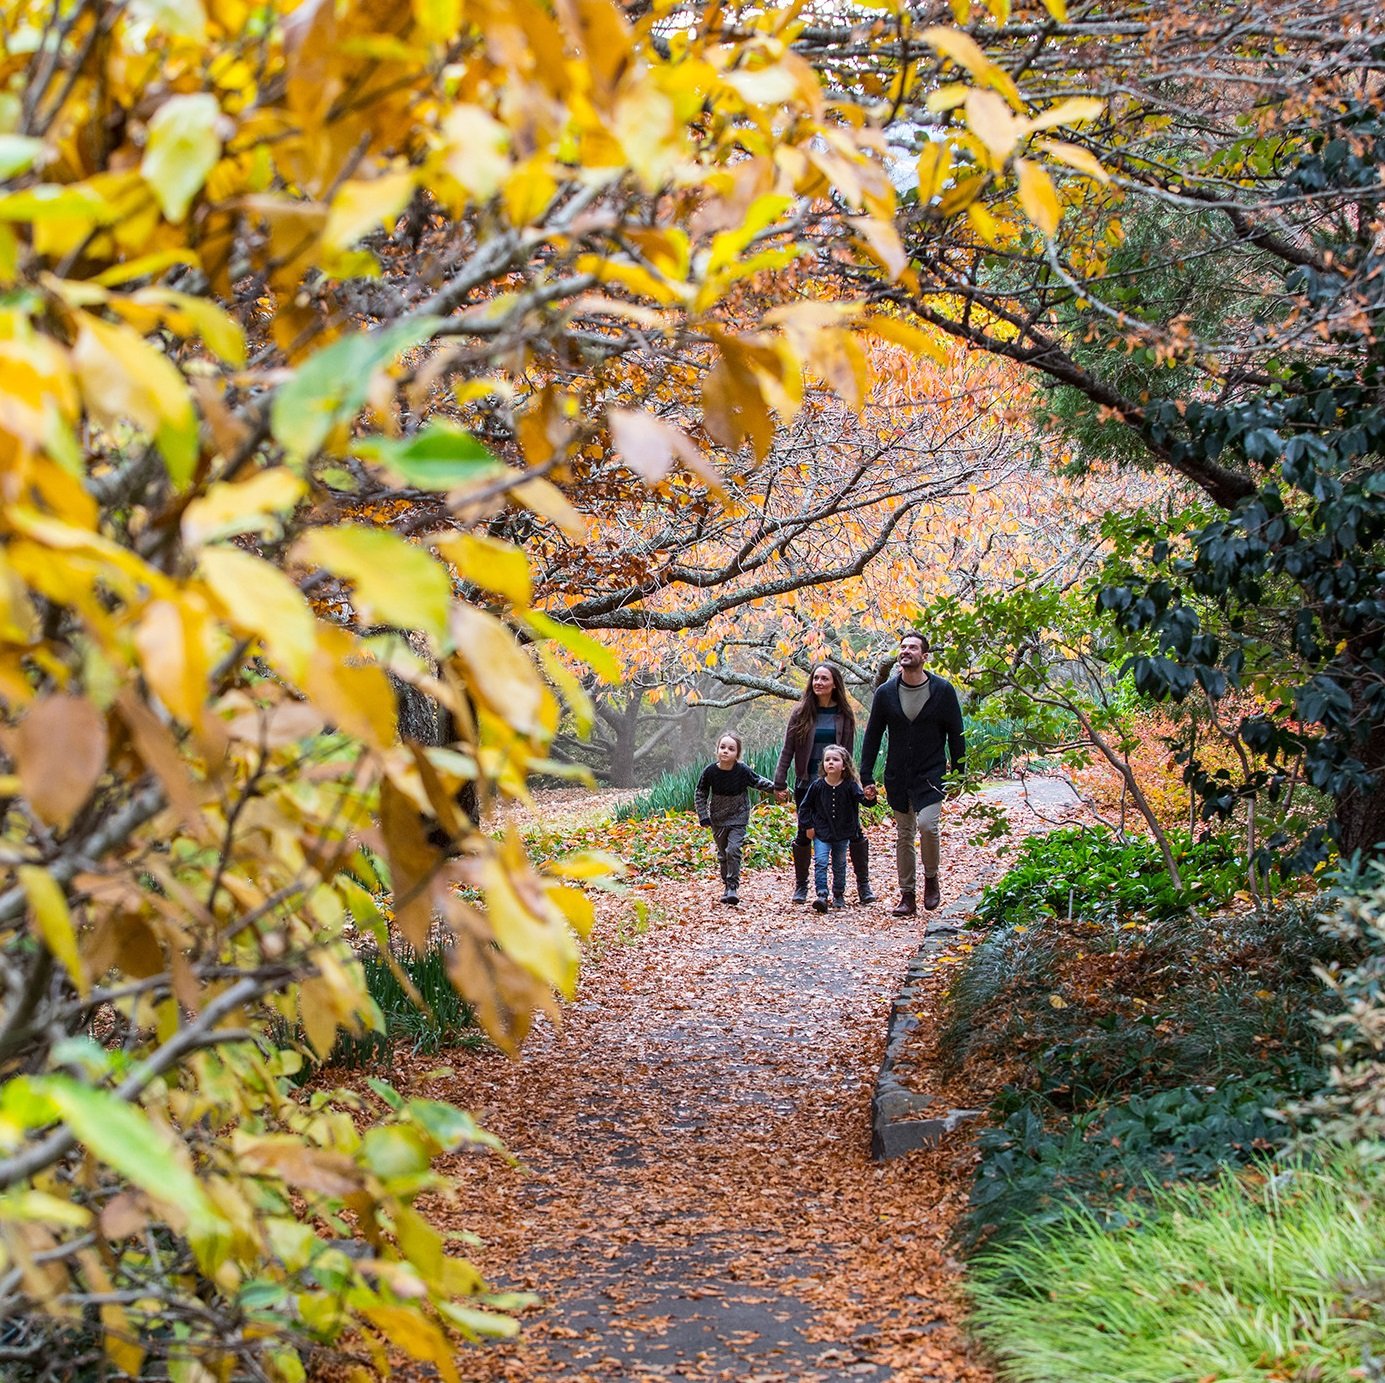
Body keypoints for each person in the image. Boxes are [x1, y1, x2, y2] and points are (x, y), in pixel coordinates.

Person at [859, 629, 965, 917]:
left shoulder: (942, 691)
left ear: (924, 656)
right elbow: (872, 736)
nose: (905, 651)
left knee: (928, 826)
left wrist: (959, 773)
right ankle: (907, 895)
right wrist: (866, 776)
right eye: (903, 647)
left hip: (931, 773)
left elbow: (956, 734)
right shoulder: (885, 693)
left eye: (912, 648)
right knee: (904, 834)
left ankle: (931, 879)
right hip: (897, 774)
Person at [773, 663, 876, 905]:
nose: (818, 682)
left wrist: (853, 784)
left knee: (854, 831)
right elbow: (787, 749)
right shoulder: (800, 713)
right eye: (815, 678)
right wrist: (779, 782)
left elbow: (847, 753)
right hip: (807, 782)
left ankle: (863, 885)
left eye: (824, 678)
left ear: (834, 684)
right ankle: (801, 887)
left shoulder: (844, 714)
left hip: (839, 783)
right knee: (805, 832)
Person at [694, 733, 779, 906]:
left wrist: (777, 789)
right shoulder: (710, 771)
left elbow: (757, 781)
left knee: (733, 850)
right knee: (723, 853)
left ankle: (733, 887)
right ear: (717, 749)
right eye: (723, 747)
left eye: (731, 749)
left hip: (738, 816)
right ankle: (726, 885)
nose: (726, 751)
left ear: (737, 753)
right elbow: (700, 793)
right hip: (718, 818)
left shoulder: (742, 770)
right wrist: (703, 816)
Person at [798, 744, 868, 912]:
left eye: (835, 760)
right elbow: (805, 807)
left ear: (844, 765)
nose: (830, 762)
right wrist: (808, 826)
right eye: (827, 759)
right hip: (821, 832)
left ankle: (838, 893)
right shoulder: (817, 786)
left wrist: (870, 796)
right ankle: (821, 895)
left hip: (842, 833)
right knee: (820, 862)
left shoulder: (850, 785)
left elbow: (863, 800)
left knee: (839, 863)